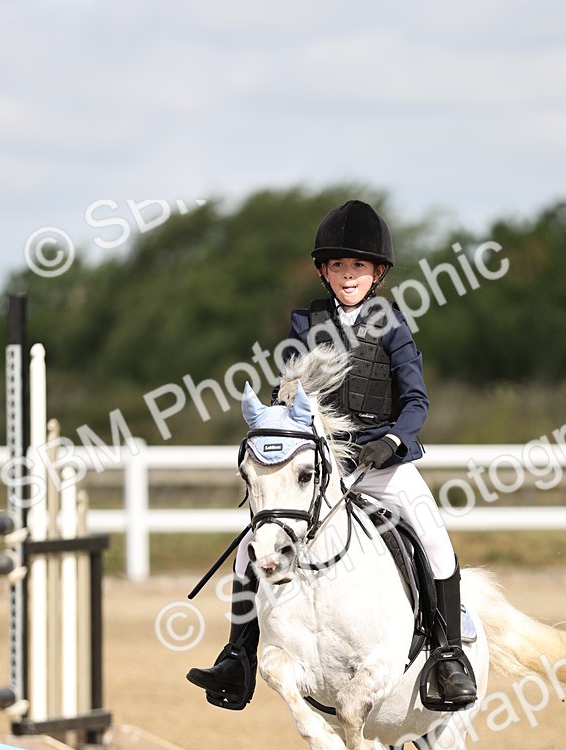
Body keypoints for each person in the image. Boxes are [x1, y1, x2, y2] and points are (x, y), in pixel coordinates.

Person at [187, 199, 477, 712]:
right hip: (323, 464)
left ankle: (448, 654)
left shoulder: (392, 324)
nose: (348, 275)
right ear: (323, 270)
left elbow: (416, 401)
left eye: (358, 266)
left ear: (377, 273)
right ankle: (238, 656)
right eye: (338, 265)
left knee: (433, 536)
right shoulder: (306, 322)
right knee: (255, 545)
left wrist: (393, 442)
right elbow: (290, 391)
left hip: (381, 462)